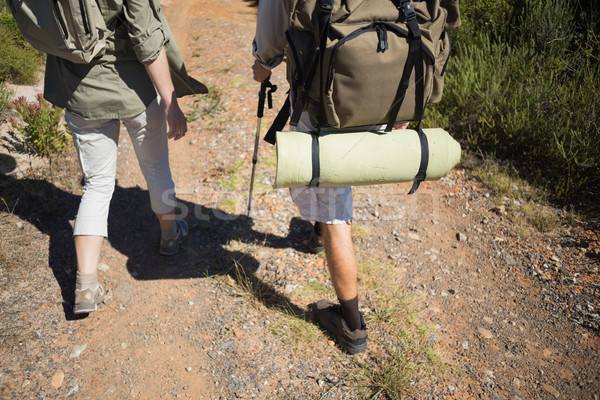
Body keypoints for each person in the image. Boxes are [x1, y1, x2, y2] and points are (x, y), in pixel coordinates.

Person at [251, 0, 410, 354]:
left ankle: (351, 324)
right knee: (338, 178)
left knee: (335, 206)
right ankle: (318, 232)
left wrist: (261, 66)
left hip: (326, 97)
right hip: (392, 87)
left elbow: (272, 37)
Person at [44, 0, 190, 314]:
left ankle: (85, 286)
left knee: (96, 186)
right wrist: (171, 102)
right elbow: (147, 40)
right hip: (134, 91)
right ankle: (169, 237)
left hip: (80, 93)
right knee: (155, 167)